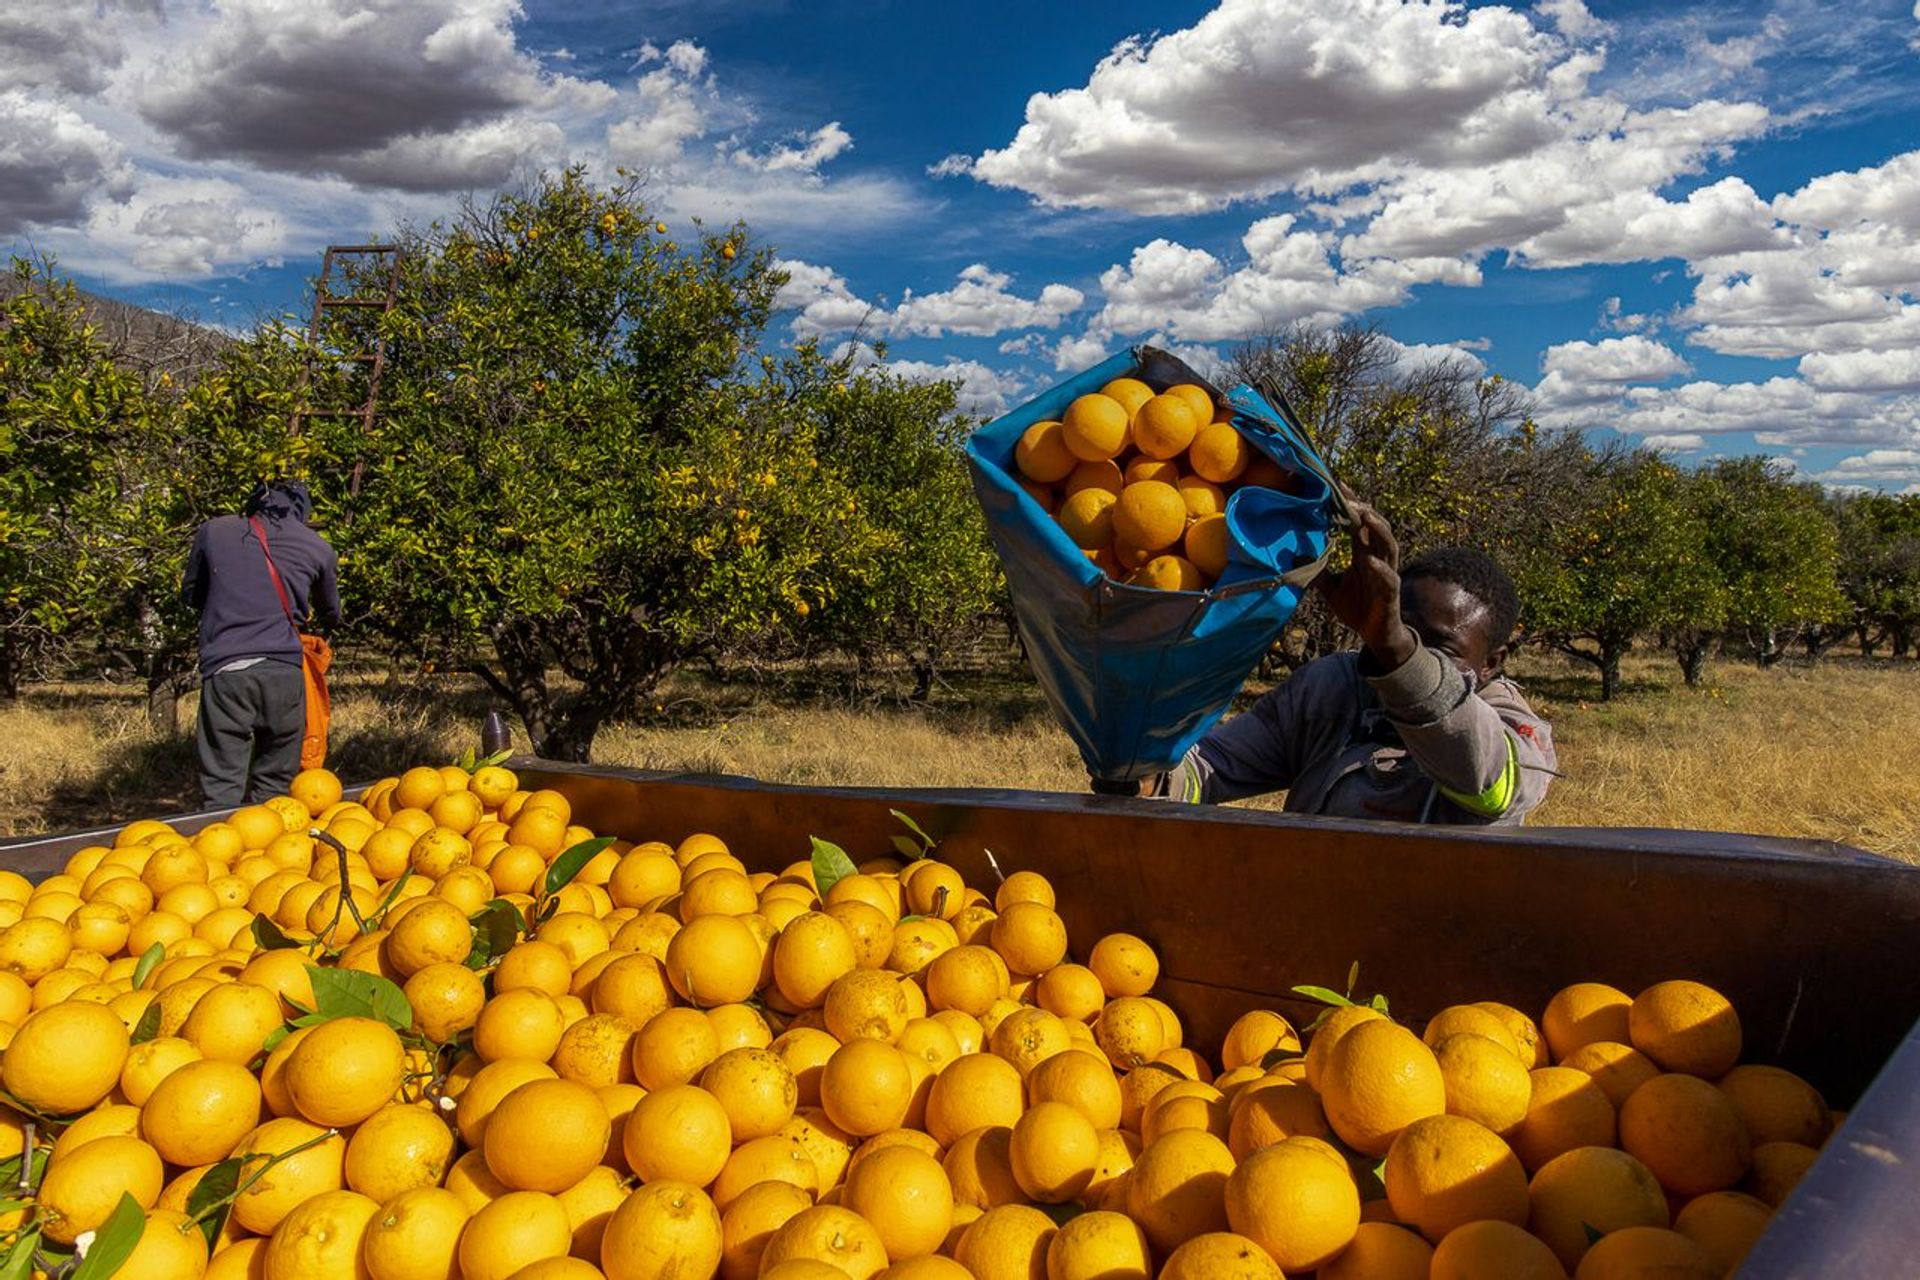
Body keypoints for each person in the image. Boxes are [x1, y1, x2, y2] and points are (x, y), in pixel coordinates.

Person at [1148, 499, 1556, 824]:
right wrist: (1145, 773)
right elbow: (1209, 768)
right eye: (1403, 626)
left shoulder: (1515, 729)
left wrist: (1397, 649)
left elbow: (1485, 775)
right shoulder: (1332, 689)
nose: (1410, 647)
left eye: (1441, 646)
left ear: (1492, 663)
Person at [183, 480, 340, 806]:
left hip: (228, 669)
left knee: (222, 782)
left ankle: (219, 845)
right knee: (275, 787)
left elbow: (191, 594)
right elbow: (331, 613)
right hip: (284, 674)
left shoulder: (214, 531)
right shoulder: (318, 547)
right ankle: (268, 847)